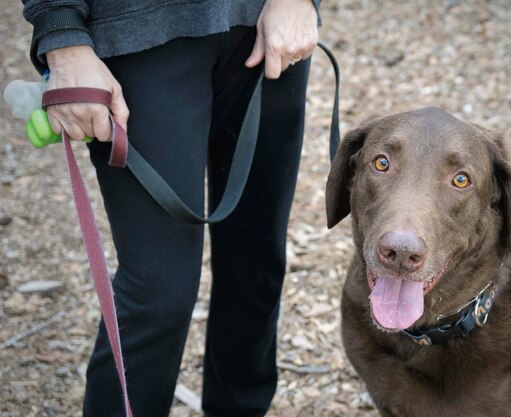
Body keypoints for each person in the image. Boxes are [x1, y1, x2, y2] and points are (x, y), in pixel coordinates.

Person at [20, 1, 321, 416]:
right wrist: (62, 35)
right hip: (137, 27)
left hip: (268, 22)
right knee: (158, 295)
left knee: (256, 266)